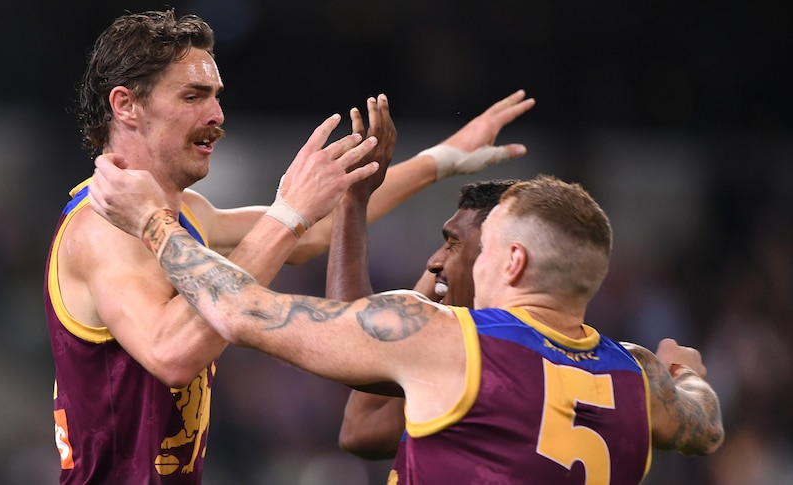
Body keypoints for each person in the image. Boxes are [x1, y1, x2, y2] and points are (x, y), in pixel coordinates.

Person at [44, 9, 535, 484]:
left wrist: (443, 158)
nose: (216, 114)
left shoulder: (188, 213)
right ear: (126, 105)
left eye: (216, 96)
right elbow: (173, 353)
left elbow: (313, 235)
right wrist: (286, 212)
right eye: (193, 96)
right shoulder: (105, 230)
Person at [89, 166, 725, 483]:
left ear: (513, 259)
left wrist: (153, 221)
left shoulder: (443, 337)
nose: (447, 260)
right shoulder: (640, 379)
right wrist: (684, 372)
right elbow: (707, 424)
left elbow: (241, 310)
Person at [329, 178, 727, 472]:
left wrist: (351, 201)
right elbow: (365, 429)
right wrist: (680, 372)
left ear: (508, 256)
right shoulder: (630, 370)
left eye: (452, 242)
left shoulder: (465, 350)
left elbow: (345, 342)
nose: (433, 260)